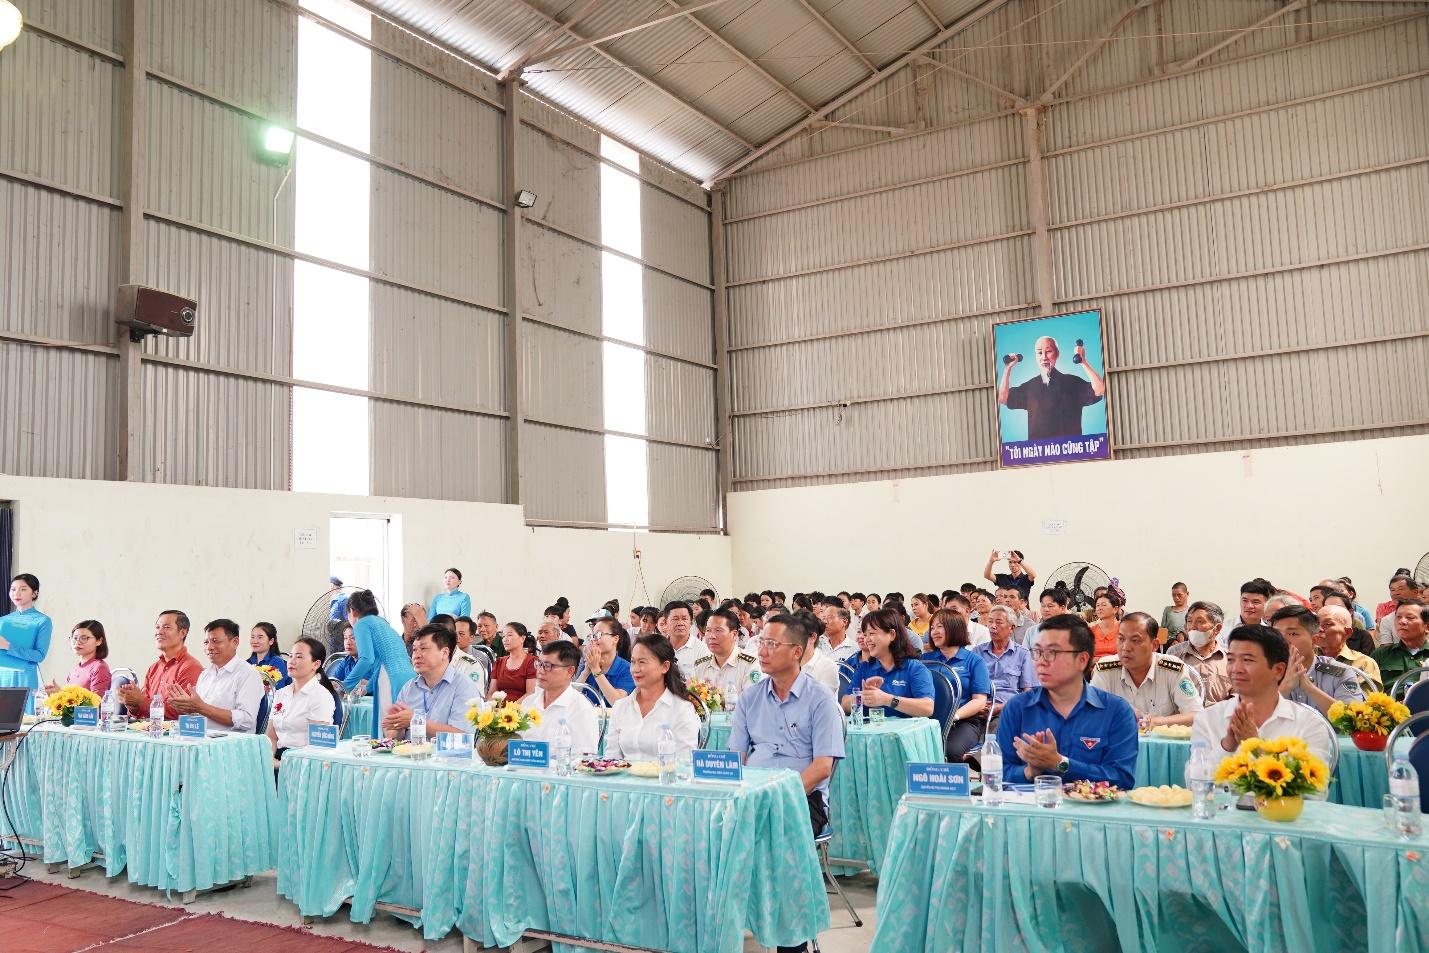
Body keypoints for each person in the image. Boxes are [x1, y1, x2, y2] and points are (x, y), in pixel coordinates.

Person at [729, 612, 845, 953]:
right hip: (753, 795)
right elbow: (735, 760)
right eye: (760, 643)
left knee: (777, 837)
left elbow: (823, 767)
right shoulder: (750, 698)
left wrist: (780, 796)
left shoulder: (821, 698)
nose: (762, 651)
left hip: (800, 799)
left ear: (796, 651)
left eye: (771, 644)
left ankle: (792, 943)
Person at [996, 614, 1138, 788]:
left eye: (1051, 653)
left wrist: (1060, 763)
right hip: (1034, 811)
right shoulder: (1017, 708)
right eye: (1038, 652)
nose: (1041, 661)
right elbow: (998, 774)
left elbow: (1122, 779)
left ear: (1082, 660)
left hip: (1090, 814)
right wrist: (1030, 771)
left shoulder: (1116, 711)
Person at [1191, 625, 1334, 767]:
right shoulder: (1208, 719)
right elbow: (1194, 783)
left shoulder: (1309, 724)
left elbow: (1313, 788)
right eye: (1231, 660)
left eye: (1247, 660)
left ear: (1278, 670)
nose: (1236, 669)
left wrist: (1255, 746)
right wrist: (1227, 746)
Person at [1090, 611, 1202, 728]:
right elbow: (1090, 714)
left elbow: (1196, 715)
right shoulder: (1105, 669)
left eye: (1135, 640)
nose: (1125, 647)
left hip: (1160, 743)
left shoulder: (1172, 669)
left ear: (1154, 645)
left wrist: (1151, 722)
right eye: (1121, 639)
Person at [606, 634, 700, 762]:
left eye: (642, 662)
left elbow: (685, 761)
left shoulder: (681, 709)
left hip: (664, 779)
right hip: (625, 780)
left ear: (665, 666)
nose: (635, 669)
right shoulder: (621, 707)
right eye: (633, 662)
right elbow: (611, 759)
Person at [382, 624, 482, 739]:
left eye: (423, 648)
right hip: (411, 755)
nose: (416, 655)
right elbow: (394, 739)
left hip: (446, 756)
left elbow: (462, 736)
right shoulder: (409, 688)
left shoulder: (464, 687)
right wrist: (397, 724)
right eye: (414, 649)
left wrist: (415, 720)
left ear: (444, 653)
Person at [997, 335, 1106, 440]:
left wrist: (1083, 361)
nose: (1044, 357)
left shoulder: (1072, 382)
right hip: (1038, 455)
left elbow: (1100, 390)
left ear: (1057, 354)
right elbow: (1003, 398)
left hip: (1072, 453)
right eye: (1039, 353)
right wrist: (1008, 368)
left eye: (1048, 351)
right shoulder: (1029, 387)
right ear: (1036, 357)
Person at [167, 619, 265, 733]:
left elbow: (246, 720)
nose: (209, 647)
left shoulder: (248, 674)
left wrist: (201, 707)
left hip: (230, 745)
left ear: (235, 642)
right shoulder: (205, 674)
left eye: (215, 641)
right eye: (206, 642)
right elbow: (201, 714)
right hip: (202, 740)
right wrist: (187, 708)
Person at [919, 610, 991, 761]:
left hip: (963, 722)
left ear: (955, 628)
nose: (934, 632)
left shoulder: (974, 661)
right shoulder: (924, 660)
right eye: (932, 628)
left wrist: (954, 716)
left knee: (951, 751)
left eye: (940, 627)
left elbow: (979, 701)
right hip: (927, 720)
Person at [841, 608, 935, 719]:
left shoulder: (914, 668)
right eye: (865, 635)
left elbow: (927, 708)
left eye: (871, 633)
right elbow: (844, 703)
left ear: (891, 634)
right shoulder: (865, 668)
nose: (866, 640)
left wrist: (887, 699)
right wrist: (863, 696)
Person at [1269, 605, 1363, 714]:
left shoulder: (1340, 672)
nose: (1282, 640)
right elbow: (1255, 722)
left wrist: (1308, 687)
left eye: (1292, 634)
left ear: (1314, 640)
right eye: (1277, 633)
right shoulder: (1263, 671)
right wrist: (1285, 688)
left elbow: (1353, 721)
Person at [339, 589, 417, 715]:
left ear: (352, 611)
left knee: (386, 730)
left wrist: (344, 687)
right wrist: (367, 688)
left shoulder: (361, 624)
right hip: (410, 678)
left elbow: (366, 660)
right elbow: (383, 662)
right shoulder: (383, 623)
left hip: (390, 680)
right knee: (405, 728)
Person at [118, 610, 204, 720]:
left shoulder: (191, 667)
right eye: (157, 627)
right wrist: (132, 704)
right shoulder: (153, 668)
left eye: (166, 627)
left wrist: (141, 701)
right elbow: (142, 711)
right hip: (150, 731)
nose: (159, 632)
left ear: (182, 633)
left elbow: (182, 713)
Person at [267, 636, 338, 769]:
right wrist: (269, 760)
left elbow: (319, 748)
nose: (291, 661)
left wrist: (282, 765)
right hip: (278, 758)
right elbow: (271, 737)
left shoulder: (321, 696)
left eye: (299, 657)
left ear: (316, 664)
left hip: (306, 764)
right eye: (290, 656)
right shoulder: (281, 693)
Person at [523, 640, 599, 755]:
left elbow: (585, 758)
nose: (540, 671)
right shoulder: (528, 703)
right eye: (539, 664)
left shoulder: (581, 709)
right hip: (524, 771)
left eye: (548, 666)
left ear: (570, 671)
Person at [972, 607, 1037, 727]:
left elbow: (1028, 693)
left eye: (998, 622)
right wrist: (977, 705)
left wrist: (1000, 707)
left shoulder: (1022, 654)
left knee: (997, 730)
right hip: (977, 709)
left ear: (1011, 628)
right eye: (990, 621)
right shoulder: (977, 652)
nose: (992, 626)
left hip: (1007, 709)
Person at [688, 607, 762, 704]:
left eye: (718, 630)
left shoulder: (751, 664)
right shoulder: (700, 665)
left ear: (734, 634)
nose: (712, 636)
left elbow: (752, 703)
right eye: (708, 630)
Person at [0, 573, 53, 708]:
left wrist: (8, 646)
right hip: (3, 675)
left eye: (23, 589)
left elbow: (39, 655)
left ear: (34, 593)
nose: (16, 593)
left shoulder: (42, 621)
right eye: (13, 589)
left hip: (27, 676)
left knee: (27, 719)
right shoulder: (3, 620)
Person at [1166, 601, 1232, 705]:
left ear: (1217, 629)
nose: (1192, 626)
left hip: (1218, 718)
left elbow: (1237, 696)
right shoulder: (1174, 654)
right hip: (1183, 718)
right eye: (1189, 621)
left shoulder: (1229, 657)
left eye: (1200, 621)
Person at [1315, 605, 1382, 691]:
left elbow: (1365, 701)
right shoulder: (1305, 657)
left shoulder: (1364, 663)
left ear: (1347, 632)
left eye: (1327, 624)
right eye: (1316, 624)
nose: (1319, 629)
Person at [574, 617, 635, 704]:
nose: (594, 639)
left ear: (615, 639)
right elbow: (572, 698)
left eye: (599, 634)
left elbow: (617, 702)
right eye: (593, 635)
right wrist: (586, 672)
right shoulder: (590, 663)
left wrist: (596, 670)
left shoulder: (627, 669)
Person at [44, 620, 111, 696]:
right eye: (75, 638)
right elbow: (71, 702)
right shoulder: (74, 669)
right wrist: (58, 694)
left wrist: (60, 695)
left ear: (99, 641)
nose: (77, 642)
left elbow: (96, 704)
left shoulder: (99, 668)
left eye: (84, 638)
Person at [1373, 600, 1429, 690]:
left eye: (1410, 618)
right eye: (1398, 617)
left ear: (1427, 627)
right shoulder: (1381, 654)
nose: (1402, 621)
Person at [487, 622, 536, 701]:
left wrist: (511, 710)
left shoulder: (532, 662)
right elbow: (492, 693)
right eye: (503, 636)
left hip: (521, 710)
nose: (505, 639)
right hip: (498, 710)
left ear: (522, 638)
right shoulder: (499, 662)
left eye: (509, 635)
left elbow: (531, 693)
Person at [661, 601, 707, 676]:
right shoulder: (658, 648)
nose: (680, 623)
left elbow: (705, 682)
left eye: (684, 619)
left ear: (691, 622)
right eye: (675, 619)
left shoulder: (702, 650)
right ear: (665, 623)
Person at [247, 622, 290, 689]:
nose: (255, 641)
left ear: (271, 641)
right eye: (252, 637)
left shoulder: (277, 663)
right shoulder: (247, 663)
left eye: (260, 637)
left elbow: (277, 693)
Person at [1089, 591, 1123, 658]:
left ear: (1115, 609)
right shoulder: (1090, 630)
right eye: (1097, 605)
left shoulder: (1124, 629)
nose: (1099, 608)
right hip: (1095, 667)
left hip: (1119, 667)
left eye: (1104, 605)